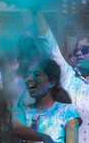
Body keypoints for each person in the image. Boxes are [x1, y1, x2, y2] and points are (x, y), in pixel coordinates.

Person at [29, 10, 89, 143]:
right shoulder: (69, 78)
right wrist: (35, 10)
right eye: (76, 50)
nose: (79, 53)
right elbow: (50, 48)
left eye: (85, 49)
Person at [12, 59, 81, 143]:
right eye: (28, 74)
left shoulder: (67, 112)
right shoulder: (21, 110)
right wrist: (44, 137)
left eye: (36, 74)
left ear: (51, 83)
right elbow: (18, 129)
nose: (29, 79)